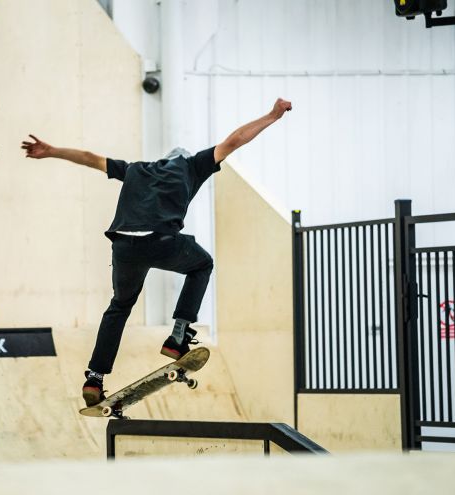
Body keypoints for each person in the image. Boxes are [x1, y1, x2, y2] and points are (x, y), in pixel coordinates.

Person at [21, 98, 292, 407]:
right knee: (202, 264)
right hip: (161, 241)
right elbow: (233, 141)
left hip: (124, 245)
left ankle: (94, 378)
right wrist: (271, 115)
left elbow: (89, 157)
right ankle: (178, 336)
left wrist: (51, 151)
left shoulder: (137, 169)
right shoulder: (193, 165)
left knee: (119, 307)